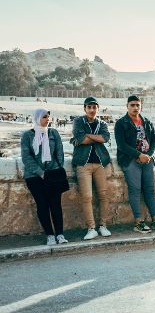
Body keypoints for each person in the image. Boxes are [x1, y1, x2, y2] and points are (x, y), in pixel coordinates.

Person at [114, 95, 155, 233]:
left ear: (141, 106)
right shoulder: (121, 123)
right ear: (127, 106)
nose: (135, 108)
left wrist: (148, 155)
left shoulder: (147, 122)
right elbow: (121, 145)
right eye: (132, 105)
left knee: (149, 189)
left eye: (138, 105)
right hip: (130, 160)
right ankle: (139, 222)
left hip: (147, 161)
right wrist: (138, 155)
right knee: (135, 190)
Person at [21, 109, 68, 245]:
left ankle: (60, 234)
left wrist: (54, 169)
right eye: (44, 117)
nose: (47, 119)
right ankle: (50, 235)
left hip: (53, 174)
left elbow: (60, 153)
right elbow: (26, 157)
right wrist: (40, 172)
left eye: (48, 117)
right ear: (37, 118)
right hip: (34, 176)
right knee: (42, 205)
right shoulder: (27, 136)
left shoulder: (53, 133)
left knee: (56, 205)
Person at [71, 96, 113, 240]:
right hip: (83, 164)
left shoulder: (102, 123)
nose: (92, 110)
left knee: (103, 195)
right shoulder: (78, 121)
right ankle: (91, 228)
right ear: (85, 109)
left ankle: (103, 225)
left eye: (94, 107)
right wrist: (95, 136)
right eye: (89, 107)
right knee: (87, 196)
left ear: (98, 109)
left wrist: (88, 136)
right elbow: (80, 138)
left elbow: (105, 138)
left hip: (101, 163)